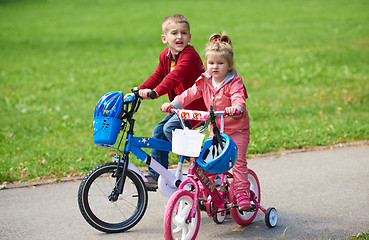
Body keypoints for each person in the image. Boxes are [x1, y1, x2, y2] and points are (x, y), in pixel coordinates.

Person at [161, 33, 252, 211]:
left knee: (238, 162)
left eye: (220, 63)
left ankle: (242, 194)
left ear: (229, 64)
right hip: (216, 130)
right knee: (208, 162)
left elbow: (238, 98)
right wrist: (173, 104)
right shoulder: (204, 80)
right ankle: (207, 190)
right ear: (206, 64)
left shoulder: (234, 82)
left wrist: (236, 107)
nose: (215, 67)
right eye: (211, 63)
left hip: (236, 130)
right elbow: (190, 94)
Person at [139, 14, 206, 186]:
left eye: (184, 33)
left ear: (189, 37)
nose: (179, 37)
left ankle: (200, 167)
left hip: (195, 109)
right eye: (174, 33)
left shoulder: (189, 55)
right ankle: (157, 174)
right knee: (158, 132)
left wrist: (156, 93)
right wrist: (140, 90)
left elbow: (174, 77)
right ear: (164, 38)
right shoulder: (165, 56)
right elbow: (159, 75)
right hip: (180, 108)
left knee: (170, 128)